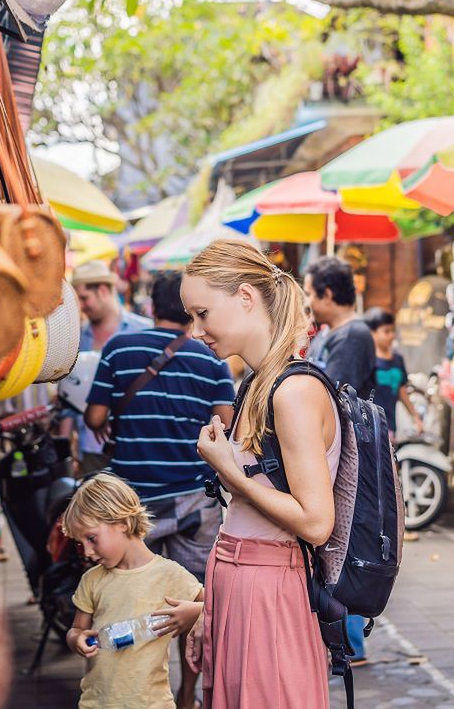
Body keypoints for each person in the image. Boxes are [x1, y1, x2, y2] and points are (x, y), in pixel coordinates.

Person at [181, 239, 339, 709]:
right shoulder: (254, 384)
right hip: (243, 588)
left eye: (203, 313)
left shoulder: (293, 391)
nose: (195, 330)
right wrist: (209, 609)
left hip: (268, 595)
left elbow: (315, 521)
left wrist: (232, 473)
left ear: (246, 298)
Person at [84, 270, 235, 708]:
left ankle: (138, 694)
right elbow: (223, 425)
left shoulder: (118, 349)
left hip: (132, 508)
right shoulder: (212, 360)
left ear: (150, 306)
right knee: (194, 604)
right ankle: (188, 696)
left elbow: (94, 419)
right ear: (190, 311)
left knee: (128, 609)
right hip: (193, 502)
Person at [64, 474, 204, 709]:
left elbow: (220, 607)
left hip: (152, 703)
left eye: (91, 538)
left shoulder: (169, 575)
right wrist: (76, 638)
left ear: (123, 522)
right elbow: (76, 629)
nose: (87, 551)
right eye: (81, 543)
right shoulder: (92, 580)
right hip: (97, 703)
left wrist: (195, 612)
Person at [302, 255, 373, 660]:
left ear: (329, 293)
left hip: (347, 461)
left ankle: (347, 644)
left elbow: (338, 397)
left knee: (342, 553)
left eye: (312, 293)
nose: (311, 302)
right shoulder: (336, 335)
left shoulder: (353, 336)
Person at [62, 260, 151, 474]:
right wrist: (66, 449)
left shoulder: (143, 331)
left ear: (102, 290)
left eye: (84, 298)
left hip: (138, 445)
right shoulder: (76, 338)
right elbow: (67, 397)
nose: (81, 306)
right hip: (91, 448)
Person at [303, 256, 375, 397]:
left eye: (308, 294)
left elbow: (329, 395)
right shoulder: (327, 331)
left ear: (327, 295)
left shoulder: (353, 336)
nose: (306, 302)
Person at [363, 307, 422, 441]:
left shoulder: (397, 359)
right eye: (386, 331)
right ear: (372, 333)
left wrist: (415, 416)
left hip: (390, 423)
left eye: (393, 330)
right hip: (371, 425)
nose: (391, 335)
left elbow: (402, 391)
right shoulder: (368, 360)